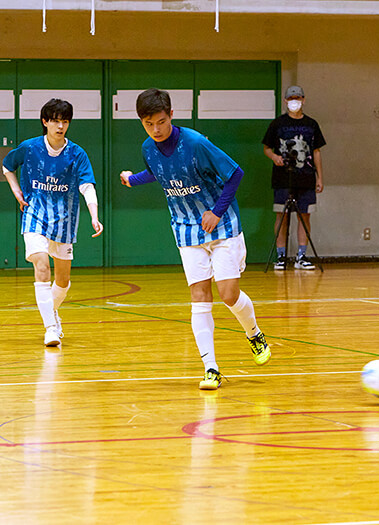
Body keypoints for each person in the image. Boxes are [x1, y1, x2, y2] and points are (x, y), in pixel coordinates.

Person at [119, 88, 270, 390]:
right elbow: (157, 172)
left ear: (172, 115)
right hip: (186, 230)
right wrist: (132, 180)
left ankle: (254, 333)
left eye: (161, 122)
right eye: (149, 124)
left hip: (222, 226)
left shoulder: (196, 143)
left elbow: (235, 174)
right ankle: (210, 368)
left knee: (228, 294)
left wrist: (216, 212)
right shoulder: (148, 148)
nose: (156, 129)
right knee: (200, 297)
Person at [3, 98, 103, 347]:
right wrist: (16, 191)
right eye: (56, 121)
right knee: (41, 266)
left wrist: (94, 215)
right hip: (34, 215)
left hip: (65, 220)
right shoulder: (30, 148)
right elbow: (7, 165)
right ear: (45, 122)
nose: (60, 126)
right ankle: (50, 329)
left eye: (65, 121)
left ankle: (52, 311)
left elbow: (87, 186)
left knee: (63, 281)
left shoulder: (77, 153)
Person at [262, 85, 326, 270]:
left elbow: (316, 151)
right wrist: (275, 157)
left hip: (306, 178)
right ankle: (281, 256)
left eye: (297, 98)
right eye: (291, 99)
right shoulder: (277, 124)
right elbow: (266, 148)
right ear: (285, 101)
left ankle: (301, 256)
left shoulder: (312, 124)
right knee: (281, 216)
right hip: (283, 178)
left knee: (304, 216)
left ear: (303, 100)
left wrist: (320, 177)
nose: (294, 102)